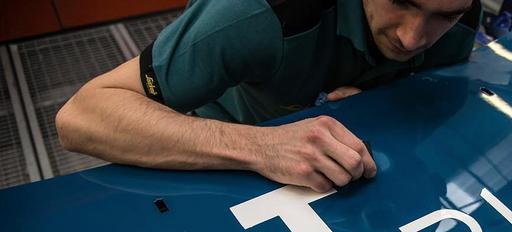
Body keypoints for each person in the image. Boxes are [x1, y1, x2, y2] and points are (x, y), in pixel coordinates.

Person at [56, 0, 481, 192]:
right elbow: (82, 117)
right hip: (215, 161)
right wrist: (259, 145)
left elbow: (430, 93)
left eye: (444, 15)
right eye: (401, 1)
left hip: (340, 169)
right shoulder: (258, 10)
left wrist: (377, 99)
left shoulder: (459, 11)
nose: (413, 37)